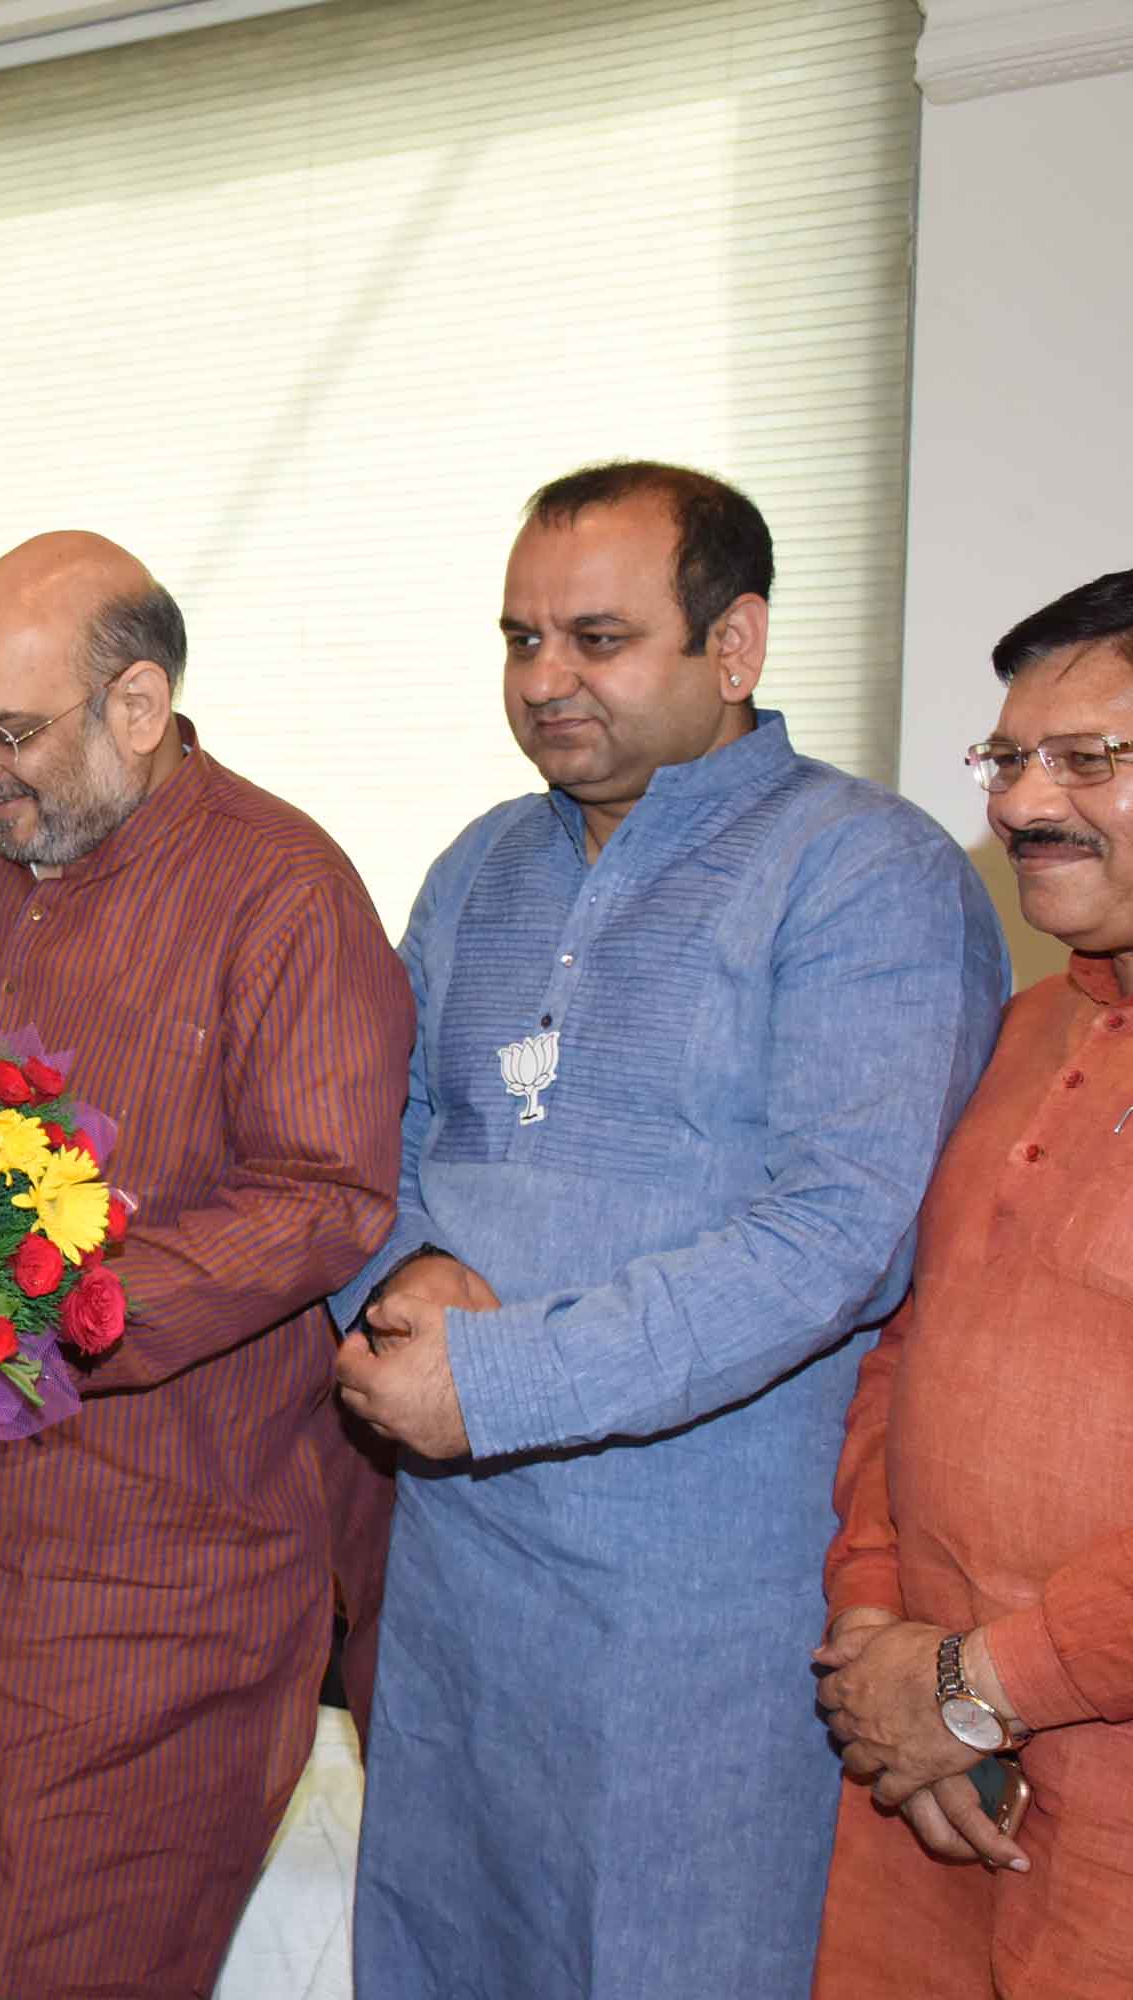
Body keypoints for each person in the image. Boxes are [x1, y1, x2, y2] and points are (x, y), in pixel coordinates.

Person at [331, 462, 1007, 1998]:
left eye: (596, 638)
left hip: (701, 1598)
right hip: (459, 1560)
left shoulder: (865, 872)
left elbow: (838, 1237)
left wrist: (499, 1382)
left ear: (737, 644)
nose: (545, 681)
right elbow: (383, 1140)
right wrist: (398, 1278)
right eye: (520, 640)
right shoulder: (482, 863)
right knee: (445, 1943)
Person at [0, 532, 412, 2000]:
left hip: (140, 1565)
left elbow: (327, 1195)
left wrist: (49, 1302)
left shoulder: (285, 894)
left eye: (12, 731)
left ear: (139, 704)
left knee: (80, 1946)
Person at [814, 569, 1133, 1999]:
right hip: (933, 1804)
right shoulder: (1012, 1035)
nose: (1017, 804)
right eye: (1008, 757)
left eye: (1087, 759)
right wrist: (884, 1646)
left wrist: (981, 1687)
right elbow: (901, 1351)